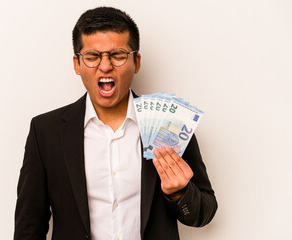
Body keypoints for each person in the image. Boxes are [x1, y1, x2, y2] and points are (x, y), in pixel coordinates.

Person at [14, 6, 217, 240]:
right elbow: (29, 226)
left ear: (136, 62)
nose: (105, 65)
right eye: (92, 57)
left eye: (118, 55)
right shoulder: (45, 132)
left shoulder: (169, 125)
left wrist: (179, 193)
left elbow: (204, 212)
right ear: (77, 64)